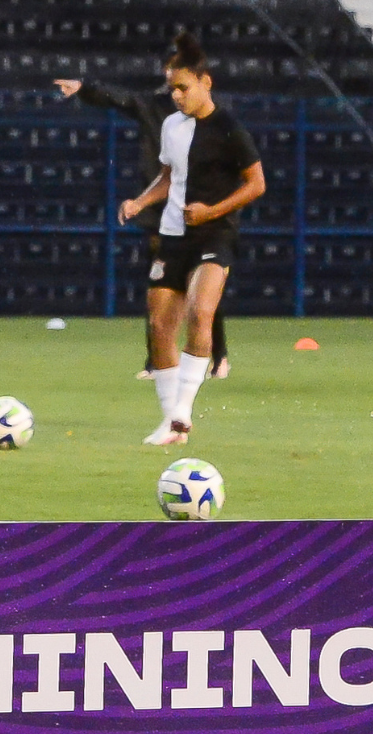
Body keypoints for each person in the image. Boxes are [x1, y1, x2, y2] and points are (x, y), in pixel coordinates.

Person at [115, 33, 263, 446]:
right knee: (160, 324)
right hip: (173, 234)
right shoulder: (171, 127)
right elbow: (169, 176)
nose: (176, 96)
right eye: (172, 88)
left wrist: (212, 211)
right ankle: (170, 421)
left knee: (201, 312)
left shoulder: (230, 129)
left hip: (215, 232)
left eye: (183, 87)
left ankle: (183, 412)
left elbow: (257, 184)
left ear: (205, 82)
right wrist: (140, 201)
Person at [57, 53, 234, 381]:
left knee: (202, 283)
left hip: (195, 205)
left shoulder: (211, 113)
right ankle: (157, 361)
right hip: (160, 209)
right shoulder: (152, 106)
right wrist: (84, 88)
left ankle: (218, 356)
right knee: (160, 285)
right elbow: (119, 98)